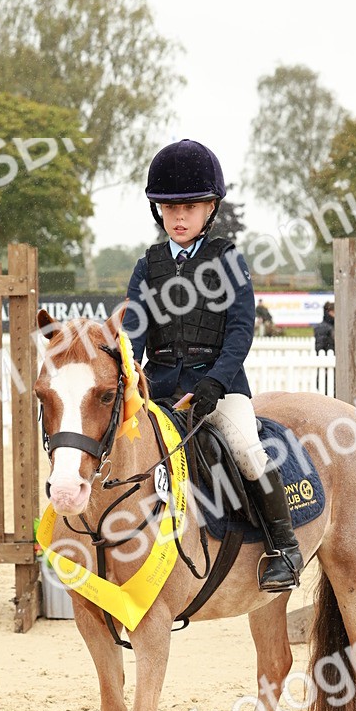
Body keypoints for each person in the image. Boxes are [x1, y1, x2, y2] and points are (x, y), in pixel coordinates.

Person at [124, 138, 303, 592]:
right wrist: (134, 379)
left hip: (219, 390)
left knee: (246, 449)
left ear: (210, 209)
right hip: (160, 392)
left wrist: (214, 384)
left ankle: (284, 548)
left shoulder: (227, 260)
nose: (178, 217)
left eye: (189, 207)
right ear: (157, 211)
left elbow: (241, 331)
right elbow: (134, 334)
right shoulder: (148, 267)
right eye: (168, 208)